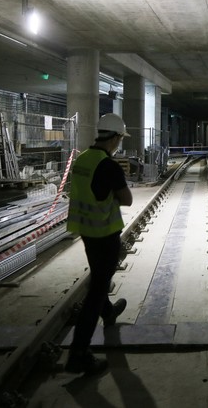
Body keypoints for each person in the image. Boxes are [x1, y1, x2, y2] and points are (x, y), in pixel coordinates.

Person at [65, 113, 133, 374]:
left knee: (99, 276)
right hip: (105, 233)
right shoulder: (108, 166)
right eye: (120, 139)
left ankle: (109, 312)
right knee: (96, 290)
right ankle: (78, 354)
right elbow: (126, 199)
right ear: (115, 138)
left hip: (86, 230)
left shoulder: (82, 160)